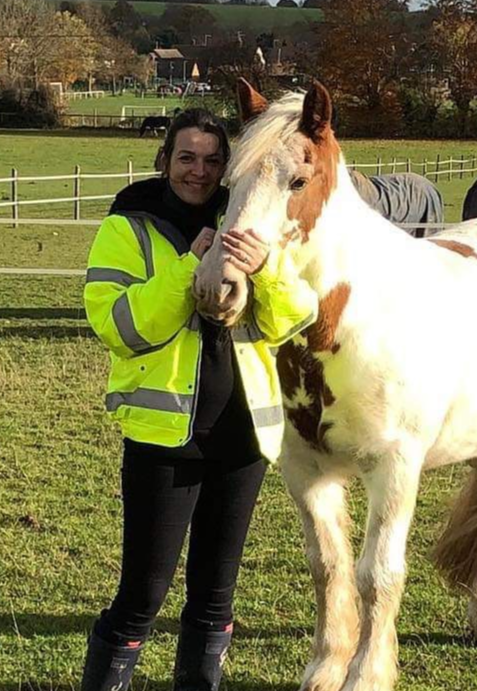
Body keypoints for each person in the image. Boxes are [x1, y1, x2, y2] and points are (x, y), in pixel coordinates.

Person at [81, 108, 317, 691]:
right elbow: (120, 324)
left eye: (214, 160)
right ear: (164, 161)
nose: (199, 171)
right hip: (165, 442)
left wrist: (265, 271)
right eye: (187, 157)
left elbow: (293, 318)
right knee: (142, 596)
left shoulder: (248, 220)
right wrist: (191, 265)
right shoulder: (128, 225)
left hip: (243, 440)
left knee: (216, 595)